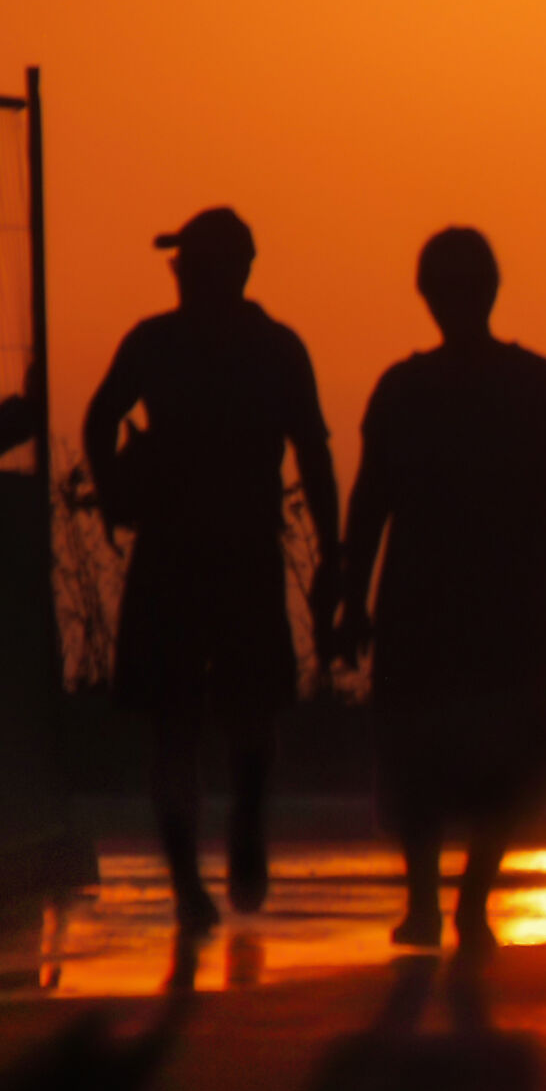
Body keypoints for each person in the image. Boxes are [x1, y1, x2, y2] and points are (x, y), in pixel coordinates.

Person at [83, 207, 340, 933]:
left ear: (221, 269)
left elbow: (101, 420)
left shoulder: (164, 343)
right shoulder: (271, 347)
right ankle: (204, 866)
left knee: (193, 721)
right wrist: (333, 553)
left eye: (191, 262)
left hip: (187, 552)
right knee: (198, 720)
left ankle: (215, 855)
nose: (180, 272)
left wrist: (116, 493)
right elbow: (313, 454)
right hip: (228, 550)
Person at [336, 228, 546, 954]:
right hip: (499, 602)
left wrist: (352, 595)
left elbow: (367, 502)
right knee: (496, 755)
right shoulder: (535, 384)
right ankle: (467, 901)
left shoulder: (404, 388)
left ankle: (430, 904)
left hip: (428, 602)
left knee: (420, 753)